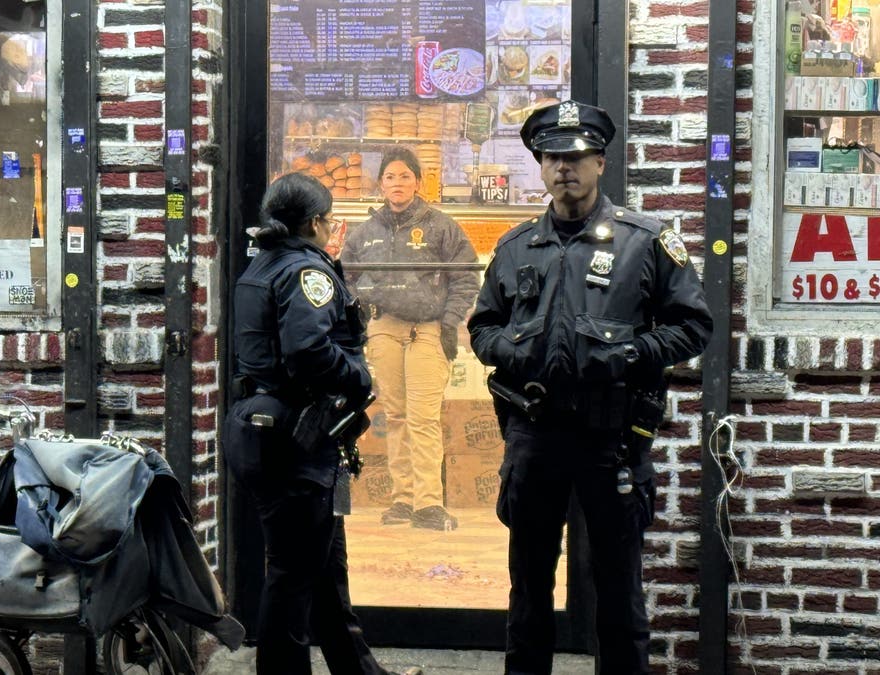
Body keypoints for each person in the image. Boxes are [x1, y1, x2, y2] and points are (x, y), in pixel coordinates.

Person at [467, 100, 712, 674]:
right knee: (527, 589)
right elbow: (482, 327)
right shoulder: (515, 246)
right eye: (552, 157)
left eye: (576, 157)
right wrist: (513, 350)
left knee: (618, 592)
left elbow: (694, 325)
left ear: (600, 161)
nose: (564, 168)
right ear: (541, 166)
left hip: (612, 439)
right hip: (535, 435)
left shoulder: (644, 241)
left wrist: (630, 354)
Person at [222, 172, 422, 675]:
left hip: (270, 430)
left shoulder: (262, 265)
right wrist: (359, 376)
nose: (331, 228)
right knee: (292, 576)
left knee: (325, 567)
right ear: (314, 223)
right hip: (294, 438)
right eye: (329, 219)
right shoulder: (304, 271)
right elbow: (308, 348)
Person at [339, 147, 480, 531]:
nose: (396, 183)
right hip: (384, 329)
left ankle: (428, 503)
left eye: (404, 176)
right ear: (380, 184)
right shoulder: (365, 232)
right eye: (390, 177)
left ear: (418, 182)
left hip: (428, 330)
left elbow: (467, 276)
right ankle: (402, 500)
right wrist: (362, 311)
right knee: (396, 416)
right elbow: (345, 279)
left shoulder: (441, 226)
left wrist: (450, 323)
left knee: (423, 419)